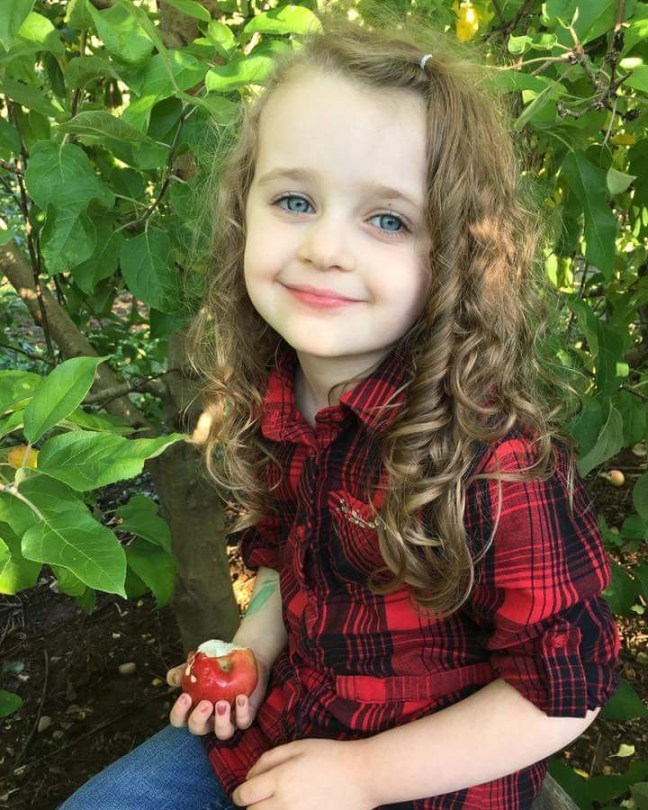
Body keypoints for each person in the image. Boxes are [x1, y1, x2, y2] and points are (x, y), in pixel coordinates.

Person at [59, 16, 620, 810]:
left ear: (456, 252)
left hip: (425, 783)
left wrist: (362, 776)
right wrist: (252, 652)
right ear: (243, 209)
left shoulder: (492, 460)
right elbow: (285, 554)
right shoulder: (279, 392)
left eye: (387, 219)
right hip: (285, 724)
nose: (325, 248)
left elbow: (569, 687)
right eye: (294, 200)